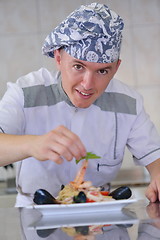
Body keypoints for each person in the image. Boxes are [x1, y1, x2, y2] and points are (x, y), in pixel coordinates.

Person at [0, 3, 160, 207]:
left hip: (99, 217)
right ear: (58, 58)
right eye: (78, 66)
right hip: (37, 219)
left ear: (116, 68)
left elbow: (155, 156)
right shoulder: (25, 93)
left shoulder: (128, 103)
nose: (87, 84)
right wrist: (31, 144)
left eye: (102, 71)